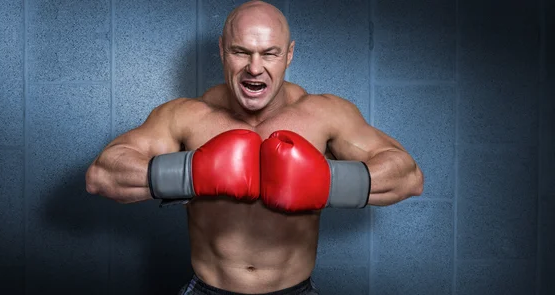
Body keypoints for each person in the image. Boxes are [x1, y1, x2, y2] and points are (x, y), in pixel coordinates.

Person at [85, 1, 424, 294]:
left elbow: (408, 177)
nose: (255, 67)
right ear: (222, 50)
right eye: (241, 52)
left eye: (270, 53)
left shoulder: (325, 115)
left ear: (289, 54)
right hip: (207, 288)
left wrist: (326, 179)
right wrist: (194, 173)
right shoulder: (187, 116)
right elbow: (102, 175)